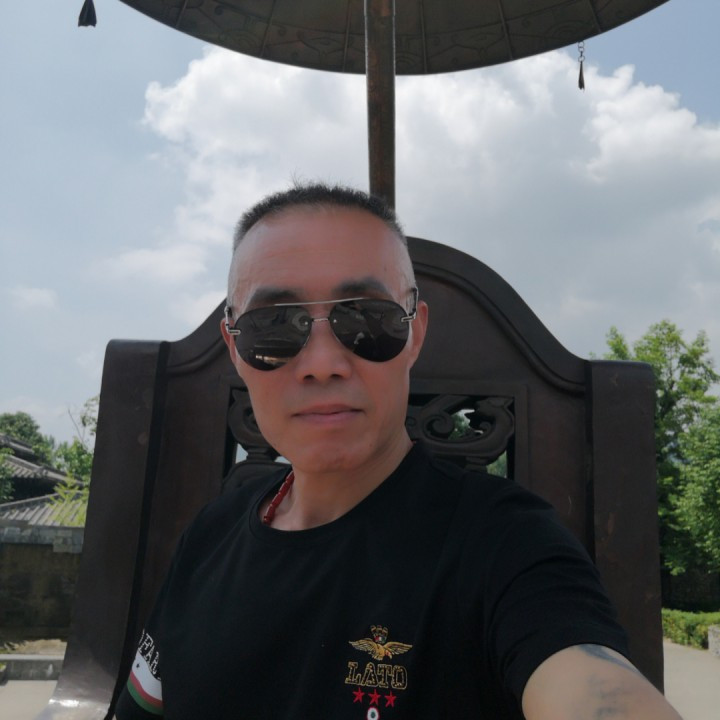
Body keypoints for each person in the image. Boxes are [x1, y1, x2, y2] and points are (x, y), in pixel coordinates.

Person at [115, 183, 682, 719]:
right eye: (273, 327)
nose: (322, 364)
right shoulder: (210, 535)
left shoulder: (505, 545)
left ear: (415, 334)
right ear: (234, 347)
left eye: (367, 319)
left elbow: (586, 678)